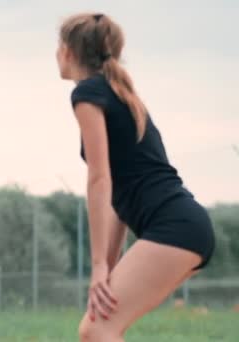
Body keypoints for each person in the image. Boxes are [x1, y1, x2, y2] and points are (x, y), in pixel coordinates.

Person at [55, 13, 215, 341]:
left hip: (174, 227)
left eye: (58, 45)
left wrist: (98, 265)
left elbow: (100, 180)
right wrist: (110, 266)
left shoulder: (87, 94)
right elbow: (119, 199)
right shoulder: (117, 93)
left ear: (69, 51)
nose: (55, 53)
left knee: (97, 328)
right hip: (185, 226)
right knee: (101, 327)